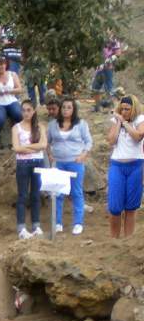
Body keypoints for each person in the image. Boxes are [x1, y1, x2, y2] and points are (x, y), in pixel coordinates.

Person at [47, 97, 92, 235]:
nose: (66, 110)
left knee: (76, 192)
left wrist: (83, 156)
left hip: (75, 162)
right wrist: (49, 155)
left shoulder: (81, 124)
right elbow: (47, 142)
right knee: (58, 193)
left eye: (69, 107)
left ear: (74, 110)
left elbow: (88, 142)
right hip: (58, 162)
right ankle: (58, 222)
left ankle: (78, 223)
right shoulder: (53, 124)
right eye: (64, 107)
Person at [106, 96, 144, 238]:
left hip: (136, 165)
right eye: (122, 109)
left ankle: (128, 240)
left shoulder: (140, 119)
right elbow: (111, 140)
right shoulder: (116, 121)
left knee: (131, 207)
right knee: (115, 207)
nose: (124, 111)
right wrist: (118, 122)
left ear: (133, 109)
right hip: (117, 164)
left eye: (127, 109)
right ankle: (114, 239)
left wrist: (125, 123)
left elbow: (138, 136)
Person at [12, 100, 47, 239]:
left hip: (38, 162)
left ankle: (36, 225)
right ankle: (21, 227)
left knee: (36, 194)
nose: (26, 113)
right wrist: (35, 146)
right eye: (23, 110)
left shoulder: (40, 127)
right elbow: (16, 148)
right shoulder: (16, 128)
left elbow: (44, 145)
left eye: (28, 110)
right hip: (23, 164)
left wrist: (26, 148)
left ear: (34, 111)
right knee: (22, 195)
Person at [92, 35, 123, 112]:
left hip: (108, 68)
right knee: (95, 87)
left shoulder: (114, 41)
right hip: (99, 68)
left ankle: (114, 108)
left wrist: (110, 59)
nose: (107, 30)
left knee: (109, 88)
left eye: (109, 29)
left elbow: (118, 53)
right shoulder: (100, 38)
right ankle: (97, 107)